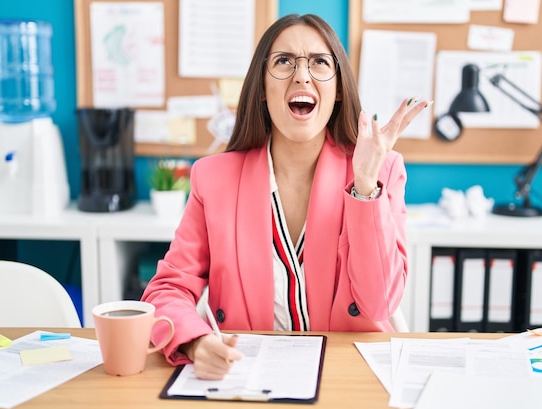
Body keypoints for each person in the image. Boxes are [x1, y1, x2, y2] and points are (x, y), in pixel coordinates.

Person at [142, 13, 431, 380]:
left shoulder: (381, 170)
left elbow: (378, 303)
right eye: (283, 62)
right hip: (247, 378)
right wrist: (196, 342)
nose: (301, 75)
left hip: (350, 380)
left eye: (319, 62)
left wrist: (364, 186)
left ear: (338, 87)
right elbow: (167, 289)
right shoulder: (212, 178)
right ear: (262, 87)